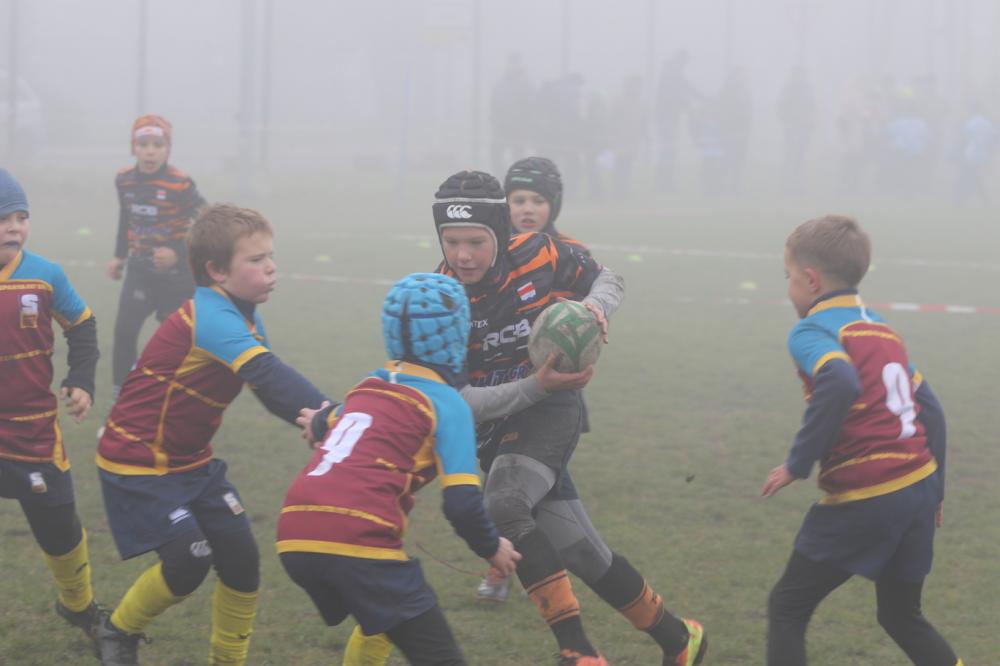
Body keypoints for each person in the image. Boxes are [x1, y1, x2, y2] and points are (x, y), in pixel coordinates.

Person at [437, 170, 705, 666]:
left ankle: (577, 651)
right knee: (580, 550)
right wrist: (534, 384)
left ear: (499, 231)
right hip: (499, 422)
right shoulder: (442, 298)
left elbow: (608, 278)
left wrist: (596, 309)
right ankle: (679, 638)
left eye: (475, 241)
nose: (463, 255)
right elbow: (460, 403)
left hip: (552, 408)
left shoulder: (538, 252)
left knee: (504, 503)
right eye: (451, 242)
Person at [93, 203, 329, 665]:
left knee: (242, 561)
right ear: (217, 271)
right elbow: (270, 376)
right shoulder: (211, 316)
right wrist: (335, 417)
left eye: (270, 256)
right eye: (256, 259)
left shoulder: (242, 315)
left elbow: (268, 390)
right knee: (189, 558)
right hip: (137, 459)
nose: (271, 267)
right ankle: (117, 631)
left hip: (191, 461)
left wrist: (327, 425)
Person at [279, 272, 521, 666]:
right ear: (457, 336)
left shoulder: (365, 388)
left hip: (293, 533)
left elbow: (333, 418)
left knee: (381, 618)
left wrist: (317, 422)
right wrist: (493, 548)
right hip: (356, 535)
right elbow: (461, 504)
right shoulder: (447, 405)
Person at [762, 215, 963, 666]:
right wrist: (937, 491)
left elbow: (839, 380)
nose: (789, 287)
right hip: (919, 486)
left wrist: (797, 463)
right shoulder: (882, 329)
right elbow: (931, 410)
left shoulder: (814, 330)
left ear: (811, 280)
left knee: (788, 606)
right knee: (901, 615)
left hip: (870, 492)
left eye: (788, 277)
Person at [0, 168, 108, 651]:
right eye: (3, 218)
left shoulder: (45, 276)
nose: (14, 227)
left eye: (21, 217)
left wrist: (80, 381)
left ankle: (79, 605)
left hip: (34, 431)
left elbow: (83, 327)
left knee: (59, 529)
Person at [106, 114, 205, 403]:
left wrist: (177, 253)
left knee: (174, 341)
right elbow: (126, 218)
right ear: (133, 147)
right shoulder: (124, 180)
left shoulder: (181, 183)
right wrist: (119, 256)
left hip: (177, 277)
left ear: (168, 149)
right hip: (139, 270)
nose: (150, 151)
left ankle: (174, 399)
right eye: (143, 144)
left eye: (158, 145)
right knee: (124, 332)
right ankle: (121, 399)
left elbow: (205, 223)